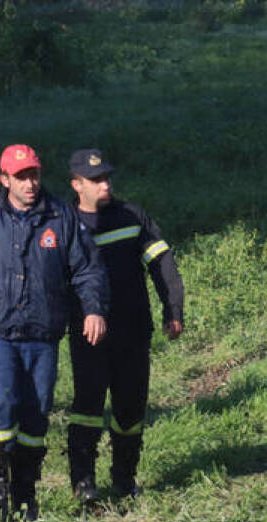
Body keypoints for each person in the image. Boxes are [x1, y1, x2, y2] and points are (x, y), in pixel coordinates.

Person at [0, 144, 109, 522]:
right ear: (4, 180)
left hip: (43, 334)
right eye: (21, 177)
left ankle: (25, 494)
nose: (30, 183)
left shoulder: (61, 217)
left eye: (33, 174)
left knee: (36, 417)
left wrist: (94, 309)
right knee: (0, 404)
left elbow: (87, 269)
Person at [65, 149, 185, 503]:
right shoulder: (65, 222)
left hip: (133, 329)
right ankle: (83, 482)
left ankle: (124, 479)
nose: (105, 185)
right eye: (95, 180)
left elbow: (162, 262)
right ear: (76, 185)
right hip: (88, 334)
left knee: (130, 409)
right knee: (87, 407)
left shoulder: (131, 216)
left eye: (106, 178)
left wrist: (172, 309)